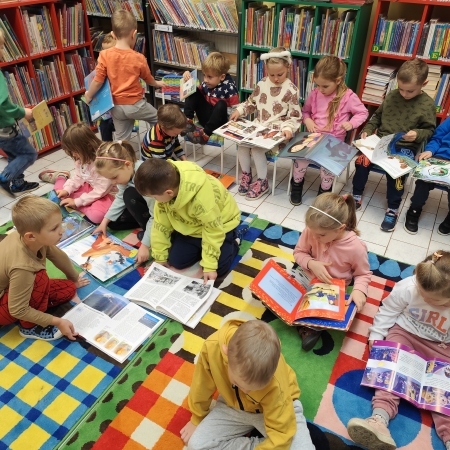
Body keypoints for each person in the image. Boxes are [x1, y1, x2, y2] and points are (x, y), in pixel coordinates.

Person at [347, 251, 450, 450]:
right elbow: (388, 311)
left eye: (435, 301)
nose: (426, 301)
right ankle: (378, 419)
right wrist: (376, 335)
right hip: (405, 333)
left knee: (444, 391)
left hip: (442, 345)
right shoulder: (409, 287)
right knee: (390, 374)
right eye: (422, 295)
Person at [180, 319, 315, 450]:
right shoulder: (212, 347)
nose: (247, 392)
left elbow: (282, 432)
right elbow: (201, 385)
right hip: (233, 407)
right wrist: (196, 418)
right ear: (226, 352)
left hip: (278, 410)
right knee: (196, 445)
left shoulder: (276, 381)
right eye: (238, 384)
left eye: (254, 388)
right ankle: (266, 443)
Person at [352, 58, 436, 232]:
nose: (404, 94)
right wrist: (368, 129)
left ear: (424, 83)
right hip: (381, 141)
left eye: (410, 91)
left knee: (397, 172)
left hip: (405, 146)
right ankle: (356, 195)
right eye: (401, 88)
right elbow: (376, 116)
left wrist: (417, 134)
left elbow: (429, 130)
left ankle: (393, 208)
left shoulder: (427, 104)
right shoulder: (392, 95)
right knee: (361, 162)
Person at [134, 159, 245, 282]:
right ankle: (203, 249)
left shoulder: (202, 200)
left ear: (169, 192)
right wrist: (160, 258)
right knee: (176, 261)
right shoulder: (165, 192)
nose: (154, 200)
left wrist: (209, 266)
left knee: (218, 269)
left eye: (154, 197)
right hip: (192, 229)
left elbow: (213, 230)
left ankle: (234, 239)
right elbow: (160, 225)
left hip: (221, 227)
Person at [0, 196, 89, 340]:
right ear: (31, 236)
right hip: (7, 306)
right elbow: (18, 309)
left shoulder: (27, 236)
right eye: (54, 228)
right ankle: (29, 328)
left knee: (69, 288)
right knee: (39, 276)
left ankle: (34, 308)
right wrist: (57, 321)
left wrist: (74, 278)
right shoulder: (23, 267)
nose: (61, 231)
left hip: (12, 288)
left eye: (60, 224)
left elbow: (57, 256)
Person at [293, 193, 372, 351]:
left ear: (340, 228)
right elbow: (299, 253)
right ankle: (309, 324)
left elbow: (363, 274)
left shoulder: (356, 247)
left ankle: (311, 328)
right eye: (311, 231)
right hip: (307, 276)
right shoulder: (312, 230)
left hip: (331, 289)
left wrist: (359, 290)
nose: (315, 237)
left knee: (319, 311)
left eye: (321, 235)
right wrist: (311, 263)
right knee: (283, 292)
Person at [291, 56, 368, 205]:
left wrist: (351, 124)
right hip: (313, 137)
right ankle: (296, 186)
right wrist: (307, 120)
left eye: (325, 86)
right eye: (318, 85)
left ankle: (324, 192)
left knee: (327, 168)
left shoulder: (348, 97)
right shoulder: (315, 94)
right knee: (300, 159)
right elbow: (305, 112)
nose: (320, 89)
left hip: (334, 141)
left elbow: (363, 113)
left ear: (338, 80)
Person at [230, 47, 302, 200]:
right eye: (272, 74)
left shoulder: (292, 90)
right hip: (259, 126)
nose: (276, 79)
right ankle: (247, 175)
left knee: (256, 150)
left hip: (279, 132)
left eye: (280, 74)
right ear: (266, 71)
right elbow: (251, 102)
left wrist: (288, 128)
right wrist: (240, 110)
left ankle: (262, 182)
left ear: (288, 67)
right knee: (242, 145)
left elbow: (295, 116)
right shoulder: (262, 83)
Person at [84, 10, 165, 145]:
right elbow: (148, 79)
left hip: (116, 107)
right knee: (160, 119)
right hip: (136, 105)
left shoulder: (104, 55)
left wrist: (89, 95)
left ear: (113, 35)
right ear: (134, 34)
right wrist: (157, 83)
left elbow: (98, 81)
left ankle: (122, 162)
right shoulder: (139, 58)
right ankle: (156, 145)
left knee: (122, 140)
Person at [38, 123, 115, 224]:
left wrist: (76, 202)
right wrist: (67, 190)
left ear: (88, 146)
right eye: (71, 151)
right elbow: (78, 177)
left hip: (106, 194)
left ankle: (75, 200)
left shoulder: (102, 163)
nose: (74, 154)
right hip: (91, 188)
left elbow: (101, 191)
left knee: (97, 216)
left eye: (75, 151)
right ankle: (61, 177)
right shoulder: (81, 159)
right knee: (59, 193)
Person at [93, 141, 155, 264]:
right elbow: (120, 198)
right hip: (144, 206)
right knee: (113, 223)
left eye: (114, 177)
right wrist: (105, 221)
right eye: (109, 179)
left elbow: (157, 215)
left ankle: (151, 233)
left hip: (158, 212)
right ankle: (148, 230)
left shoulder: (145, 178)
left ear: (127, 165)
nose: (113, 183)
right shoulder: (126, 174)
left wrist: (145, 245)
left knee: (129, 195)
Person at [0, 28, 39, 197]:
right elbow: (2, 103)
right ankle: (4, 177)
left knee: (14, 154)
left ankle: (18, 184)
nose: (2, 51)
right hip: (6, 128)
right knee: (29, 154)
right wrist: (22, 112)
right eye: (1, 47)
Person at [404, 116, 450, 234]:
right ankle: (414, 209)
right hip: (441, 157)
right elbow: (437, 137)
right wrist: (430, 150)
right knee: (423, 180)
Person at [182, 52, 239, 144]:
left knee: (221, 104)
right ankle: (188, 122)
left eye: (209, 77)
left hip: (219, 123)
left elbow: (236, 110)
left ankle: (204, 135)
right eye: (204, 75)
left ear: (222, 77)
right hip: (206, 118)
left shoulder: (230, 87)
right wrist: (187, 77)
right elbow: (195, 98)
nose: (205, 80)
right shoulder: (206, 83)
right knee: (193, 90)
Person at [98, 32, 116, 142]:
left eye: (109, 51)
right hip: (109, 111)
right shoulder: (102, 67)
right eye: (103, 51)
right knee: (104, 124)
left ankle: (117, 149)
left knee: (109, 123)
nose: (106, 54)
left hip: (123, 110)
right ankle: (108, 149)